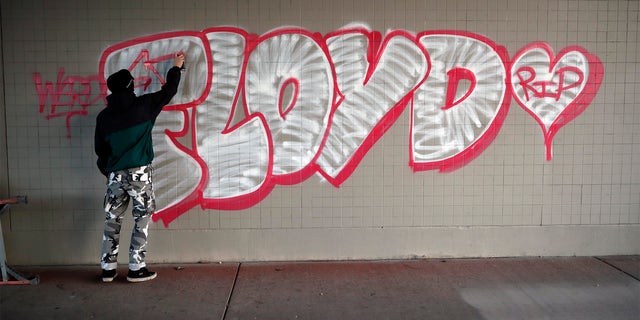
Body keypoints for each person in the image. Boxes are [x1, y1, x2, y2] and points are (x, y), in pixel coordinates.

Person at [94, 53, 185, 283]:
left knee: (112, 220)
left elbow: (100, 152)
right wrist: (176, 68)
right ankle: (136, 267)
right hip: (139, 174)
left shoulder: (104, 118)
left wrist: (110, 172)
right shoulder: (143, 107)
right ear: (130, 86)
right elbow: (168, 92)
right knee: (141, 218)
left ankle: (108, 269)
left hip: (115, 175)